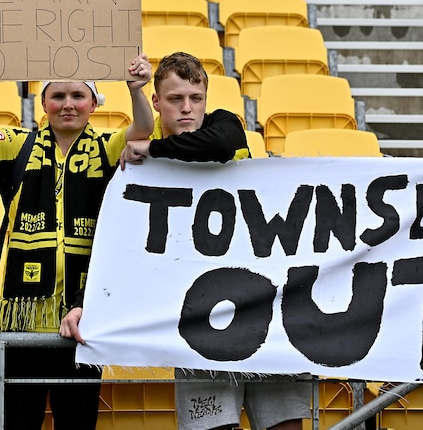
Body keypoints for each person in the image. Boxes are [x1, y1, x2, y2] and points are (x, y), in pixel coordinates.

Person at [0, 54, 155, 429]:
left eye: (78, 95)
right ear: (43, 104)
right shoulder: (18, 145)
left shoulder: (107, 146)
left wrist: (136, 90)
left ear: (93, 104)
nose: (68, 104)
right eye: (58, 96)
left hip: (81, 320)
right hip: (20, 324)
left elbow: (142, 129)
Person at [120, 51, 309, 430]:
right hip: (198, 322)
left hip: (265, 310)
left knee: (284, 426)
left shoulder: (225, 126)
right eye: (175, 100)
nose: (187, 109)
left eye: (196, 98)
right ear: (157, 102)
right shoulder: (139, 138)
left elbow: (220, 146)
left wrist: (154, 152)